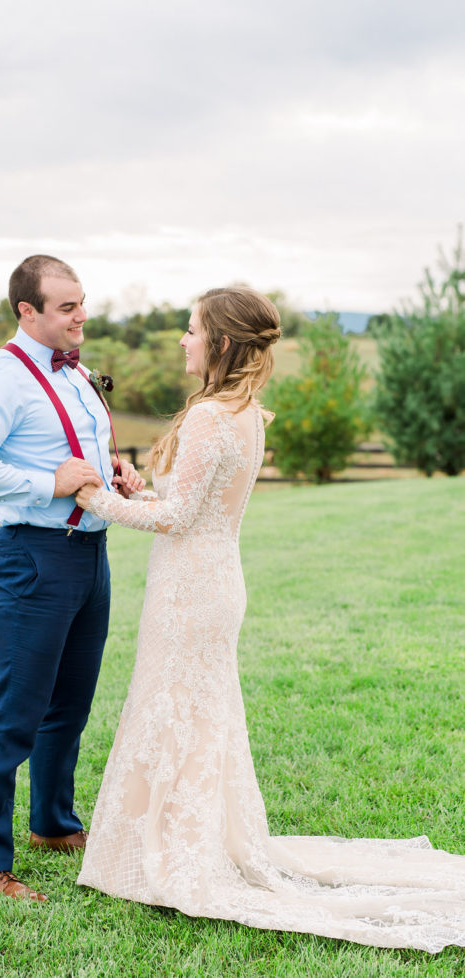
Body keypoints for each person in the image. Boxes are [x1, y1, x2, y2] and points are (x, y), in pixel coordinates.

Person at [74, 285, 465, 952]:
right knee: (195, 713)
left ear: (221, 342)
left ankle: (175, 851)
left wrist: (96, 499)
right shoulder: (245, 412)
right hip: (211, 579)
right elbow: (193, 501)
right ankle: (181, 838)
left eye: (192, 330)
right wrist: (139, 486)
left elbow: (178, 518)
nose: (183, 340)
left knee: (177, 709)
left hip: (191, 589)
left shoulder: (209, 416)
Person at [0, 254, 144, 901]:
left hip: (89, 554)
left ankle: (53, 825)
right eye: (66, 306)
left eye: (82, 302)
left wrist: (113, 473)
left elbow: (74, 453)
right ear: (27, 311)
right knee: (14, 715)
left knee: (70, 706)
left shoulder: (75, 370)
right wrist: (43, 482)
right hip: (32, 556)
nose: (81, 316)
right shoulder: (0, 377)